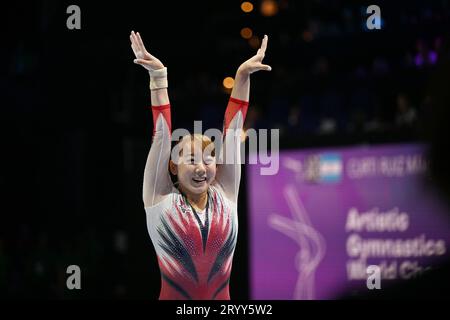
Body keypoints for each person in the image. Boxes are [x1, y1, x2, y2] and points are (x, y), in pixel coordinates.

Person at [129, 31, 271, 300]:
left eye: (208, 160)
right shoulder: (159, 198)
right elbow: (161, 136)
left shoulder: (226, 194)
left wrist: (242, 77)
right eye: (191, 160)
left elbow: (233, 130)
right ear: (173, 167)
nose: (201, 168)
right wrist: (158, 78)